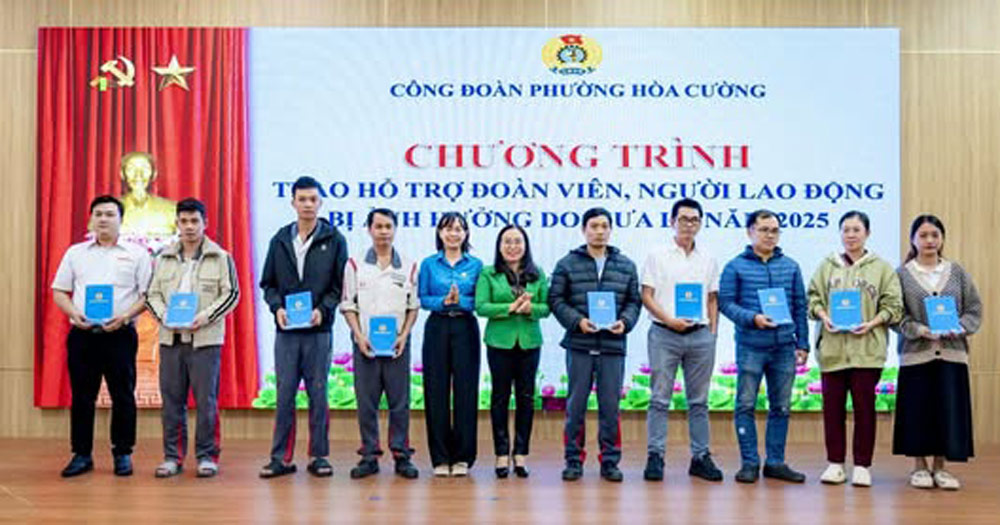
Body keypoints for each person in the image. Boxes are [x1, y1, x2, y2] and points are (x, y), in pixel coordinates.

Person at [52, 195, 152, 477]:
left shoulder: (137, 254)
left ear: (121, 220)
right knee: (82, 396)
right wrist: (74, 313)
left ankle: (122, 453)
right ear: (91, 219)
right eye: (98, 214)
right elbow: (59, 291)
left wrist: (126, 316)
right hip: (83, 334)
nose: (103, 219)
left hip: (120, 334)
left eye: (110, 214)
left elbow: (147, 295)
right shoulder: (76, 253)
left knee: (123, 395)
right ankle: (81, 454)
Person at [258, 176, 347, 478]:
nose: (307, 204)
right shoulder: (280, 238)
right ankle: (280, 458)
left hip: (318, 332)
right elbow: (267, 283)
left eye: (313, 199)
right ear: (293, 202)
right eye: (302, 199)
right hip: (287, 332)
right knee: (284, 394)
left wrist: (324, 310)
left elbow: (339, 286)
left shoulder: (335, 239)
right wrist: (277, 308)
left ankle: (319, 456)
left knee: (318, 393)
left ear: (320, 202)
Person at [146, 198, 240, 478]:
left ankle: (207, 456)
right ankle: (172, 457)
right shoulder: (162, 257)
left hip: (205, 339)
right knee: (172, 400)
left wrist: (206, 317)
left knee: (206, 400)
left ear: (205, 223)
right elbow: (151, 295)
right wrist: (164, 316)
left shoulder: (221, 257)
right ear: (177, 223)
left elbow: (232, 294)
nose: (189, 227)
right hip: (171, 339)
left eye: (194, 221)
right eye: (183, 221)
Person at [807, 210, 902, 487]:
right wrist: (824, 316)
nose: (851, 235)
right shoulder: (827, 265)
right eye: (846, 230)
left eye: (856, 230)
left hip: (867, 352)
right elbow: (812, 299)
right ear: (840, 234)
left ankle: (862, 465)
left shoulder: (882, 268)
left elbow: (893, 307)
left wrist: (873, 323)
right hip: (833, 351)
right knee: (832, 410)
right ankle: (835, 463)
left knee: (865, 410)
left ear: (867, 233)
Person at [549, 207, 641, 483]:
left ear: (610, 230)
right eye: (594, 226)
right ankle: (573, 461)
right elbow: (556, 300)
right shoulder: (567, 264)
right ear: (584, 230)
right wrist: (577, 321)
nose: (599, 231)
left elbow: (634, 302)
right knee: (575, 406)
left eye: (604, 226)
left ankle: (610, 461)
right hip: (579, 344)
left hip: (613, 345)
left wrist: (624, 322)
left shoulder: (625, 265)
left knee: (610, 406)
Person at [719, 209, 809, 484]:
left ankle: (775, 462)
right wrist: (752, 318)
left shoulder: (791, 266)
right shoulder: (735, 266)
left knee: (781, 407)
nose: (770, 235)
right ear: (750, 232)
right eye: (764, 230)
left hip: (784, 347)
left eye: (774, 230)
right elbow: (725, 303)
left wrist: (803, 344)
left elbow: (799, 306)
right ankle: (749, 463)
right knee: (745, 405)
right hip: (751, 345)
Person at [892, 214, 981, 491]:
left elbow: (974, 310)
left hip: (952, 354)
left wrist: (960, 328)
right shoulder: (902, 275)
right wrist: (920, 330)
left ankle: (941, 468)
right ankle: (919, 466)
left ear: (942, 239)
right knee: (918, 410)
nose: (929, 240)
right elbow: (896, 316)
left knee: (948, 410)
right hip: (916, 354)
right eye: (923, 235)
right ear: (913, 239)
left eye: (934, 235)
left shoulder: (957, 273)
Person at [640, 198, 723, 482]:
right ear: (671, 222)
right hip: (664, 334)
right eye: (683, 219)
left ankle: (700, 457)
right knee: (659, 399)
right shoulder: (657, 255)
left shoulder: (708, 258)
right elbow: (646, 295)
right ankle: (655, 456)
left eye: (694, 220)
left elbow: (713, 298)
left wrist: (712, 333)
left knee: (699, 401)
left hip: (700, 336)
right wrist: (669, 320)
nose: (689, 224)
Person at [340, 209, 420, 480]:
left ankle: (401, 455)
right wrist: (358, 335)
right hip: (365, 346)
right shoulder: (354, 264)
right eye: (378, 226)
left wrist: (404, 335)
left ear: (395, 229)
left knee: (400, 403)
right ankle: (369, 456)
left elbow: (413, 307)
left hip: (397, 345)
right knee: (366, 402)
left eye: (388, 226)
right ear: (369, 229)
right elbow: (348, 304)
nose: (384, 231)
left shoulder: (408, 265)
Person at [475, 225, 550, 479]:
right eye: (507, 241)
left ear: (525, 245)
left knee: (526, 398)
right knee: (499, 398)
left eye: (517, 241)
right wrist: (510, 307)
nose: (512, 246)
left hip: (529, 342)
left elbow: (547, 306)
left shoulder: (537, 273)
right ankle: (500, 454)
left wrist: (531, 309)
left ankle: (520, 454)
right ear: (499, 246)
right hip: (499, 343)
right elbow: (481, 306)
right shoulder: (488, 273)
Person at [418, 212, 483, 477]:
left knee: (466, 392)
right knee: (436, 391)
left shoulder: (476, 265)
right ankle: (440, 458)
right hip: (437, 326)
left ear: (466, 234)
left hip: (465, 326)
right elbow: (423, 298)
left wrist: (459, 302)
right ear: (440, 233)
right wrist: (442, 302)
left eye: (459, 229)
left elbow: (479, 300)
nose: (453, 233)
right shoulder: (429, 264)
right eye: (448, 229)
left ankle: (463, 457)